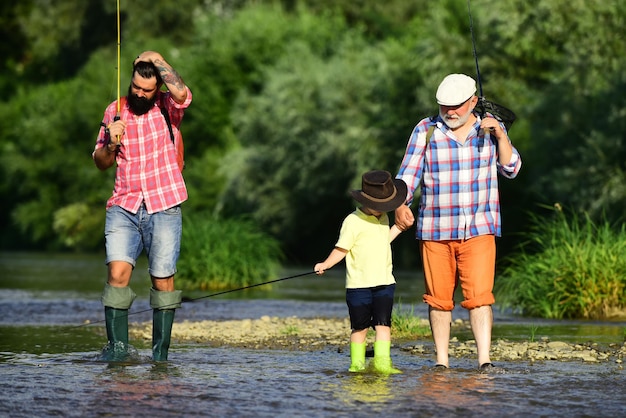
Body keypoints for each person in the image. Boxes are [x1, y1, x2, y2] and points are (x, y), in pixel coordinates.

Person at [394, 73, 522, 372]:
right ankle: (441, 362)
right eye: (444, 106)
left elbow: (512, 168)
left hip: (479, 228)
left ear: (473, 102)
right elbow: (407, 176)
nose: (450, 112)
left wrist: (501, 136)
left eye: (457, 106)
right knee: (438, 301)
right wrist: (400, 205)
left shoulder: (491, 128)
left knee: (480, 298)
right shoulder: (425, 130)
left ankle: (485, 361)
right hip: (435, 230)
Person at [92, 50, 192, 362]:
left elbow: (184, 94)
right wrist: (111, 143)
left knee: (163, 279)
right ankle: (118, 351)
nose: (139, 93)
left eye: (146, 90)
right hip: (124, 205)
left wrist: (159, 60)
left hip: (164, 204)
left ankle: (160, 357)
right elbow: (99, 162)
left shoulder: (167, 107)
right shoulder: (115, 110)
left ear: (156, 88)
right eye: (135, 86)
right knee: (117, 274)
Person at [314, 170, 407, 374]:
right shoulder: (352, 221)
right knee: (360, 327)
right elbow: (342, 249)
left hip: (384, 282)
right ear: (367, 200)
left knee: (384, 325)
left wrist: (399, 227)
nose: (384, 209)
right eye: (381, 205)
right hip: (359, 286)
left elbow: (382, 242)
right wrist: (325, 264)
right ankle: (357, 363)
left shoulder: (382, 218)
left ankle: (383, 363)